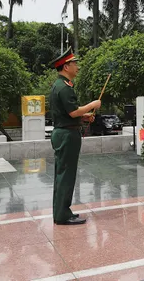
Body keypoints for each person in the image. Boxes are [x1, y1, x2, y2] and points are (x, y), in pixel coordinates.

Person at [49, 48, 101, 225]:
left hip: (63, 132)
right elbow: (72, 112)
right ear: (65, 66)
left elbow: (67, 113)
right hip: (67, 135)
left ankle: (61, 212)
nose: (77, 66)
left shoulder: (60, 85)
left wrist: (84, 116)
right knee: (66, 175)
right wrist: (91, 105)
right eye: (74, 63)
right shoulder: (64, 87)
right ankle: (63, 214)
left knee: (62, 174)